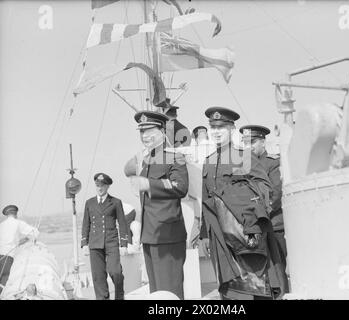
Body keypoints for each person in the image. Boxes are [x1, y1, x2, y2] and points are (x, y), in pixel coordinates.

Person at [199, 106, 286, 300]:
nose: (216, 132)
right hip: (219, 235)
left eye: (221, 127)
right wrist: (205, 234)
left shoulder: (244, 156)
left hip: (244, 233)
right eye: (213, 128)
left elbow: (266, 189)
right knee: (229, 288)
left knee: (253, 286)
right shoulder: (209, 161)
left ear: (231, 129)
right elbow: (206, 200)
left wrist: (250, 219)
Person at [124, 111, 189, 299]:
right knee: (157, 293)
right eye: (141, 132)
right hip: (149, 234)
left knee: (170, 291)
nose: (145, 136)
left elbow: (181, 187)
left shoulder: (175, 156)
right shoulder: (145, 160)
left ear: (162, 131)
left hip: (167, 235)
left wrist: (149, 184)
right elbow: (126, 169)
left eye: (150, 130)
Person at [240, 124, 288, 297]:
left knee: (277, 267)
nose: (249, 147)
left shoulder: (273, 163)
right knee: (258, 272)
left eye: (252, 142)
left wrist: (258, 214)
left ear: (262, 142)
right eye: (246, 143)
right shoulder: (241, 165)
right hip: (252, 227)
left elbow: (275, 193)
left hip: (273, 225)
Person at [81, 173, 128, 300]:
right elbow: (86, 223)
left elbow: (123, 224)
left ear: (107, 186)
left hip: (111, 242)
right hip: (95, 243)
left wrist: (123, 244)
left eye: (102, 186)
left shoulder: (115, 202)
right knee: (98, 276)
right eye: (97, 186)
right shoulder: (89, 203)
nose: (100, 188)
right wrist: (84, 243)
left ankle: (119, 296)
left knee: (115, 271)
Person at [0, 205, 39, 294]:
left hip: (1, 256)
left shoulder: (1, 225)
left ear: (7, 215)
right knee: (4, 282)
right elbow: (35, 233)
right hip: (7, 257)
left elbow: (8, 241)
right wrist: (28, 239)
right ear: (15, 214)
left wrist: (19, 242)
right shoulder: (17, 223)